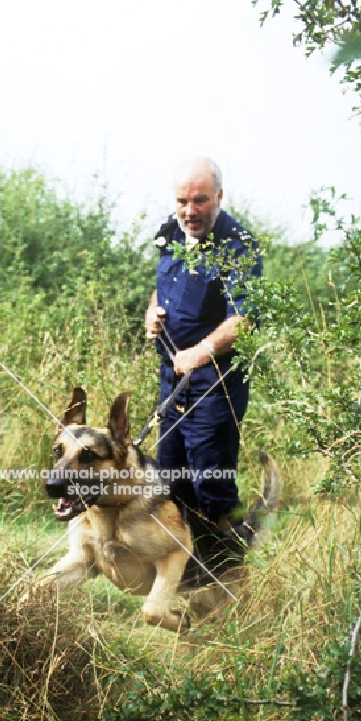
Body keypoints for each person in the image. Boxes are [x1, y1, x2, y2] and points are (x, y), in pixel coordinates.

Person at [145, 156, 262, 527]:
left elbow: (244, 320)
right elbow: (161, 287)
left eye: (200, 201)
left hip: (216, 385)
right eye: (182, 201)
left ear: (219, 196)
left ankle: (230, 575)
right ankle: (188, 576)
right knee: (170, 484)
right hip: (172, 383)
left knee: (213, 487)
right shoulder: (171, 234)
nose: (189, 211)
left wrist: (199, 353)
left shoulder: (238, 248)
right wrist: (152, 312)